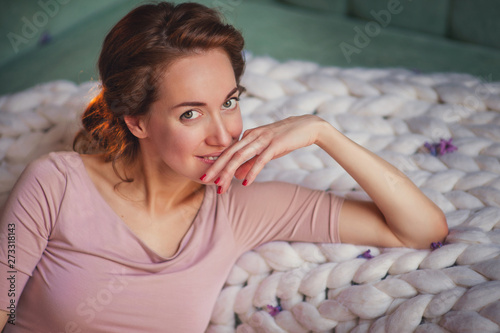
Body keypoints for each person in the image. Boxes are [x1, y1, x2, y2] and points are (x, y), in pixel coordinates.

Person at [0, 2, 448, 331]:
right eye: (190, 113)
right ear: (137, 120)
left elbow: (422, 230)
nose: (223, 133)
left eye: (229, 103)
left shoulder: (240, 207)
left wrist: (321, 132)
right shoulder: (56, 184)